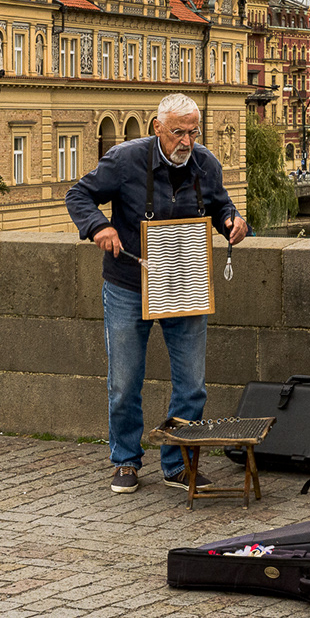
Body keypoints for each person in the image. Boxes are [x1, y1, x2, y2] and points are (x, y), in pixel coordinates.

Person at [65, 93, 248, 493]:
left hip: (186, 284)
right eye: (178, 133)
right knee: (125, 381)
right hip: (129, 283)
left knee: (192, 384)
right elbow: (78, 195)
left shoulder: (206, 164)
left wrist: (233, 222)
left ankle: (178, 464)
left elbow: (222, 207)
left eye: (193, 132)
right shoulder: (125, 159)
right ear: (157, 129)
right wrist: (98, 227)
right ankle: (126, 460)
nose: (186, 141)